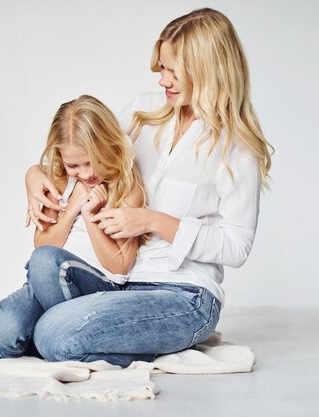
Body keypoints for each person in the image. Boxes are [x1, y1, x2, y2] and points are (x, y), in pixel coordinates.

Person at [22, 8, 273, 367]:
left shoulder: (236, 150)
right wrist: (33, 173)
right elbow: (88, 158)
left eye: (173, 72)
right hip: (119, 282)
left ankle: (124, 343)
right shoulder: (143, 111)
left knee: (51, 335)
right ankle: (112, 339)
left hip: (184, 295)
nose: (163, 81)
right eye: (161, 69)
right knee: (6, 325)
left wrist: (154, 221)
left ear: (208, 72)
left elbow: (237, 247)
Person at [0, 95, 146, 363]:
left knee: (43, 262)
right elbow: (42, 240)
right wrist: (72, 207)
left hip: (99, 286)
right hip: (48, 281)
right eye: (73, 165)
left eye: (92, 161)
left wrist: (90, 215)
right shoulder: (59, 182)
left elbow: (120, 267)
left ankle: (29, 344)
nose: (84, 173)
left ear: (110, 146)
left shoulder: (127, 189)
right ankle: (38, 342)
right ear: (60, 158)